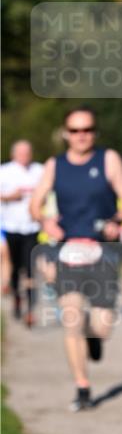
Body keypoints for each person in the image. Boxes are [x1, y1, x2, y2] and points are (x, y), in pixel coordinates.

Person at [30, 107, 122, 410]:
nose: (81, 136)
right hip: (68, 252)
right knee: (71, 319)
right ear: (65, 134)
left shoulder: (108, 159)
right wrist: (45, 221)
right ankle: (82, 387)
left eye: (87, 130)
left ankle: (94, 338)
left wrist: (116, 219)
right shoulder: (54, 165)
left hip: (102, 252)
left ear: (94, 133)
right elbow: (36, 205)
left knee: (101, 327)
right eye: (74, 131)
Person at [0, 140, 44, 326]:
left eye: (27, 152)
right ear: (14, 154)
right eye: (21, 153)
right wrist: (11, 196)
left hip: (32, 227)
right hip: (11, 226)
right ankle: (17, 300)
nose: (25, 156)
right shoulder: (5, 171)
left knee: (30, 268)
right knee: (16, 268)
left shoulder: (39, 170)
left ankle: (30, 310)